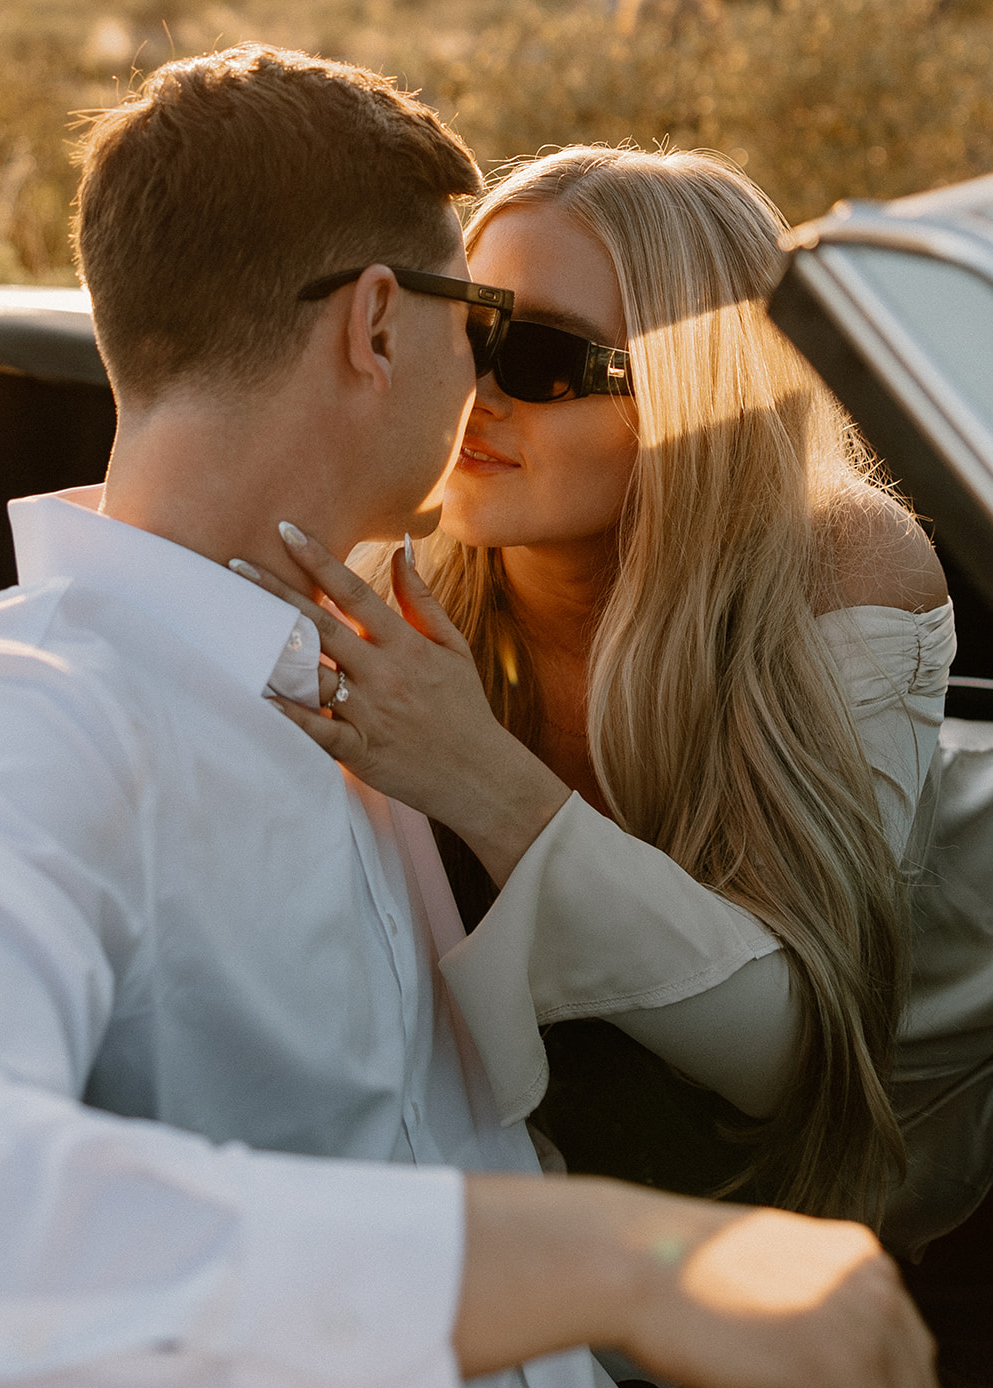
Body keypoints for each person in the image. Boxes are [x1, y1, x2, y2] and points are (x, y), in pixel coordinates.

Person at [0, 54, 937, 1388]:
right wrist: (609, 1267)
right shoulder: (34, 710)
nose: (483, 387)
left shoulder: (361, 639)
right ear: (379, 324)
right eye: (482, 323)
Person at [269, 147, 952, 1245]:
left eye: (536, 357)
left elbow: (797, 1051)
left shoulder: (835, 570)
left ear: (698, 401)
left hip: (852, 1154)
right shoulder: (394, 543)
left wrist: (487, 783)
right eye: (463, 330)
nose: (474, 394)